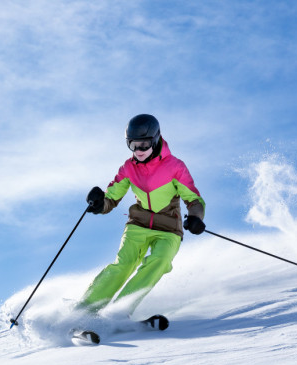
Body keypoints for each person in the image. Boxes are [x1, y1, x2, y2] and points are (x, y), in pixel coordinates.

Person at [78, 114, 206, 315]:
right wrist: (99, 203)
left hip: (169, 229)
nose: (138, 151)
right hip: (138, 224)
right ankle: (84, 310)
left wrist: (196, 218)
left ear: (155, 140)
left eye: (144, 145)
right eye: (133, 145)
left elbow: (193, 200)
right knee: (124, 265)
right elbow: (111, 198)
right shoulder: (128, 168)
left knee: (160, 261)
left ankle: (119, 312)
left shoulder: (175, 167)